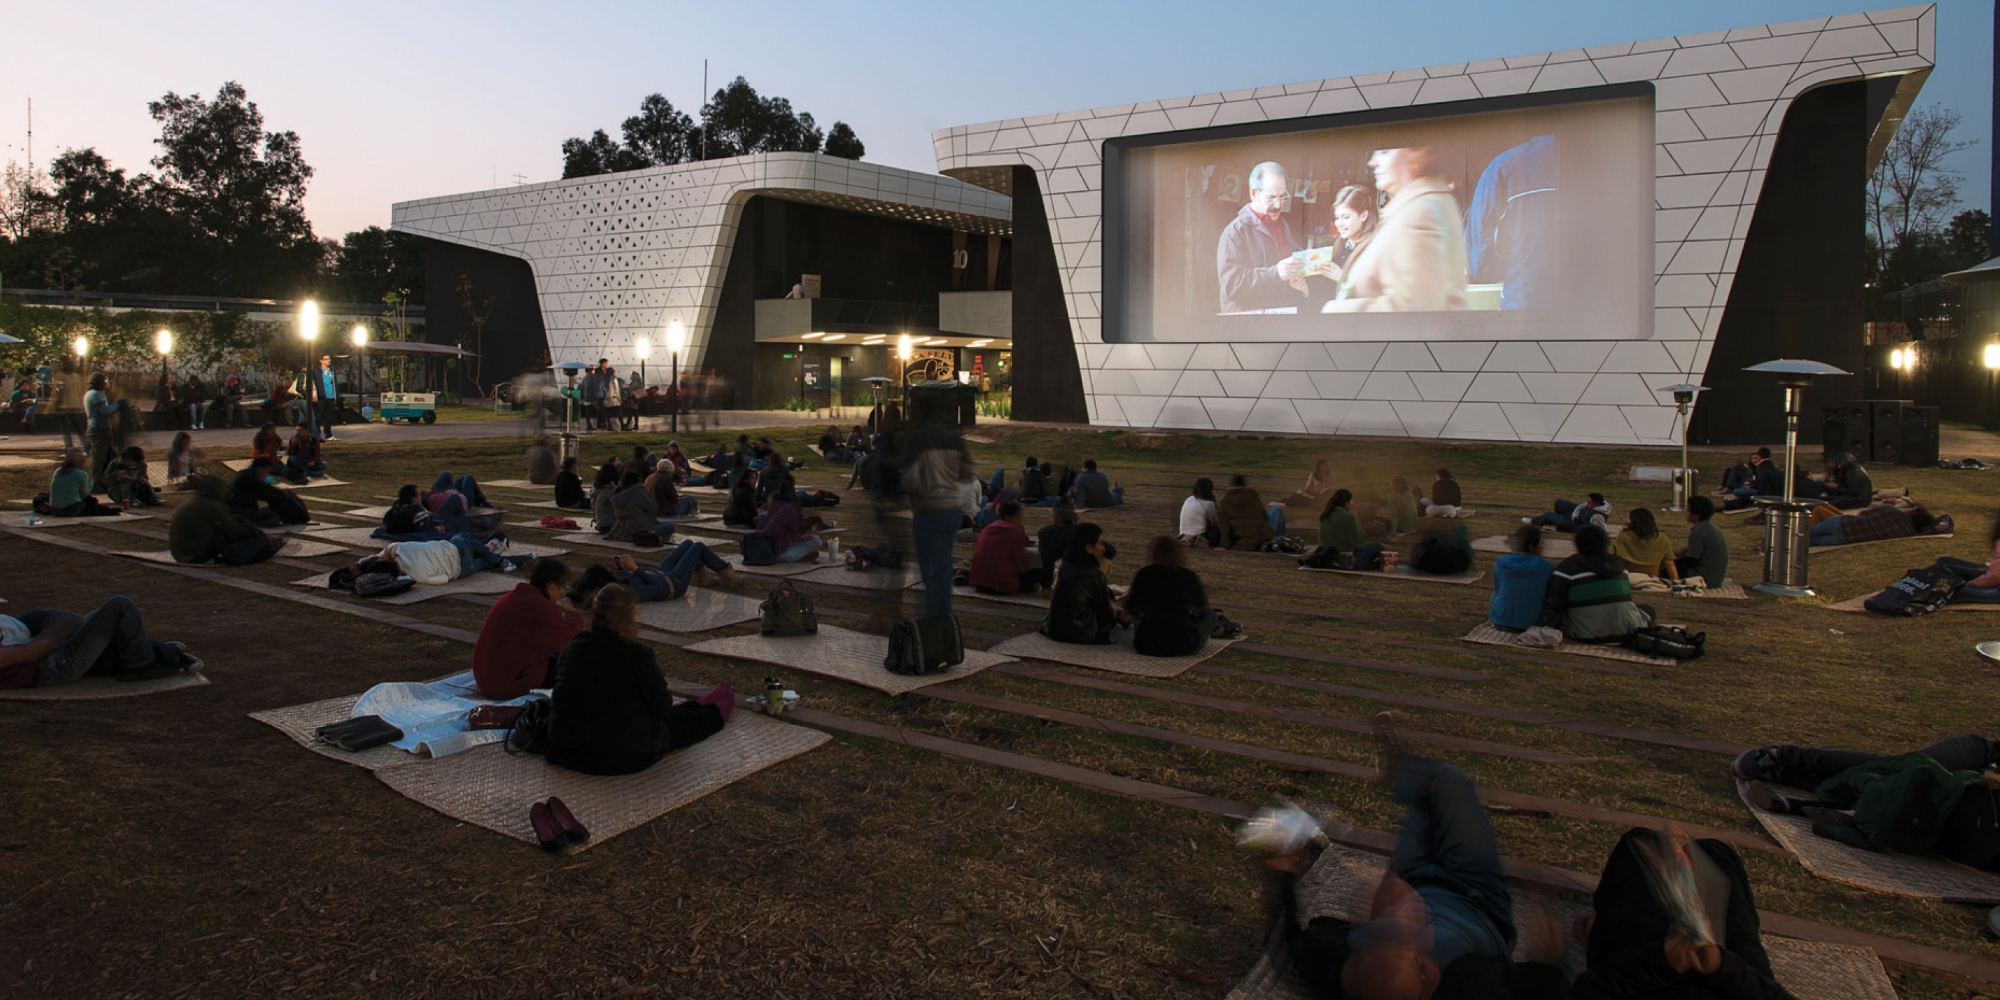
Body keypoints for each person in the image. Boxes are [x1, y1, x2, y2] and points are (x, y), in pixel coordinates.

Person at [1252, 729, 1567, 1000]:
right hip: (1478, 896)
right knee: (1447, 782)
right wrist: (1548, 958)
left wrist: (1284, 871)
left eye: (1387, 939)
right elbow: (1550, 986)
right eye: (1420, 965)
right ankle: (1406, 770)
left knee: (1428, 798)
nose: (1414, 942)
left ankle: (1407, 774)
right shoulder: (1470, 987)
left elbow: (1294, 939)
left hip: (1414, 878)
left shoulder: (1338, 970)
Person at [1570, 826, 1792, 1000]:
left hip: (1645, 981)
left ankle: (1599, 927)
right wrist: (1720, 966)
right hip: (1729, 982)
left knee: (1641, 845)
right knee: (1713, 852)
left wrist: (1664, 962)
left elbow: (1586, 992)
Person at [544, 584, 734, 776]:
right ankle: (719, 707)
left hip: (564, 748)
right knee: (682, 725)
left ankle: (703, 702)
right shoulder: (636, 654)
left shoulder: (575, 645)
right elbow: (662, 706)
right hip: (621, 754)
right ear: (628, 615)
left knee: (671, 716)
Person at [1735, 735, 2000, 872]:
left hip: (1969, 813)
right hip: (1973, 787)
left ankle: (1785, 759)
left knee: (1905, 771)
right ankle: (1792, 785)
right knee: (1902, 772)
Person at [1325, 146, 1471, 313]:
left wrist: (1335, 310)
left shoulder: (1419, 212)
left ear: (1416, 156)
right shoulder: (1418, 204)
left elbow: (1414, 308)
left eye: (1385, 152)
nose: (1372, 162)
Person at [0, 596, 200, 688]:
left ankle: (165, 652)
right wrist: (54, 634)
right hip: (54, 666)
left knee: (98, 619)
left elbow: (63, 620)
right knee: (120, 607)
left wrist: (57, 630)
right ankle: (140, 665)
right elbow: (33, 652)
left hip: (52, 655)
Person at [1465, 135, 1555, 310]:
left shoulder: (1505, 166)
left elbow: (1480, 262)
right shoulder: (1600, 163)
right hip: (1596, 308)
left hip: (1526, 305)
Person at [471, 559, 584, 699]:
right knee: (578, 663)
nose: (562, 593)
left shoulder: (518, 597)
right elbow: (566, 645)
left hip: (487, 677)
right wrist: (573, 615)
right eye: (562, 587)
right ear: (550, 587)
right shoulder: (540, 607)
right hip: (504, 683)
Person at [903, 405, 976, 619]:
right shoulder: (954, 439)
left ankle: (932, 617)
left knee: (928, 569)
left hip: (929, 510)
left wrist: (916, 499)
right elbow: (967, 474)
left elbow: (910, 478)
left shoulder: (915, 439)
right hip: (952, 510)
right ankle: (943, 617)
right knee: (944, 566)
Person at [1125, 536, 1241, 656]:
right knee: (1211, 615)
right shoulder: (1188, 576)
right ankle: (1216, 630)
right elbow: (1201, 606)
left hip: (1146, 645)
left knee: (1141, 614)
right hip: (1184, 644)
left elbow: (1131, 606)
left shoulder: (1144, 574)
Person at [1216, 160, 1307, 313]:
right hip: (1249, 327)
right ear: (1254, 194)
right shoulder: (1235, 232)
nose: (1278, 204)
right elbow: (1232, 285)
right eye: (1271, 197)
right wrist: (1276, 273)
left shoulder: (1283, 225)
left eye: (1282, 196)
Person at [1540, 525, 1653, 643]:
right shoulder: (1620, 568)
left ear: (1578, 544)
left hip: (1586, 635)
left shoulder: (1567, 570)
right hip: (1626, 631)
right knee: (1647, 610)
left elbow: (1555, 607)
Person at [169, 473, 280, 565]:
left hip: (183, 552)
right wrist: (251, 530)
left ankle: (266, 540)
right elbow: (233, 532)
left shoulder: (198, 502)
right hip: (192, 555)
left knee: (236, 519)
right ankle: (265, 542)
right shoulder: (211, 506)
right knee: (233, 525)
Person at [1043, 523, 1126, 644]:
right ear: (1089, 548)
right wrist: (1115, 610)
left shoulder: (1066, 564)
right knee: (1111, 602)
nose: (1103, 548)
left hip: (1054, 629)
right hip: (1083, 633)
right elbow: (1104, 615)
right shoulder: (1095, 575)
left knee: (1107, 593)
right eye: (1100, 544)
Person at [606, 540, 737, 601]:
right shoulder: (627, 593)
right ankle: (728, 575)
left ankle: (703, 577)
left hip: (661, 573)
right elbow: (657, 587)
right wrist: (635, 569)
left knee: (688, 543)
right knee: (698, 547)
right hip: (673, 584)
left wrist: (621, 571)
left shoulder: (617, 582)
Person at [384, 532, 529, 584]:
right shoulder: (397, 548)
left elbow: (443, 579)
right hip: (456, 551)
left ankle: (524, 558)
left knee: (484, 563)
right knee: (463, 536)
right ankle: (497, 558)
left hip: (460, 570)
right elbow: (381, 553)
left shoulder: (416, 576)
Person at [1489, 525, 1554, 632]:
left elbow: (1498, 589)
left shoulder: (1501, 563)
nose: (1543, 546)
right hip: (1532, 622)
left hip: (1501, 621)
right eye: (1541, 543)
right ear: (1532, 546)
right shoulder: (1546, 567)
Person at [968, 501, 1037, 595]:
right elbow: (1021, 567)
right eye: (1018, 517)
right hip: (1001, 585)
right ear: (1008, 517)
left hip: (978, 583)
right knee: (1036, 573)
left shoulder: (986, 530)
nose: (1020, 521)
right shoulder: (1015, 535)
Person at [1312, 489, 1385, 570]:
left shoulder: (1325, 515)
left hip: (1325, 553)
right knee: (1379, 546)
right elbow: (1356, 544)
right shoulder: (1349, 517)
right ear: (1347, 503)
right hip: (1345, 556)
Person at [1808, 502, 1936, 548]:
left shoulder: (1891, 510)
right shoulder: (1906, 533)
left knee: (1806, 532)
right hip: (1845, 538)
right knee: (1807, 540)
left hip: (1843, 522)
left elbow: (1863, 512)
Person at [227, 457, 310, 526]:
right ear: (259, 469)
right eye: (267, 472)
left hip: (235, 511)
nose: (267, 475)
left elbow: (264, 493)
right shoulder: (250, 478)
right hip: (241, 513)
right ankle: (257, 522)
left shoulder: (245, 474)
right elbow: (271, 490)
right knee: (275, 512)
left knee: (275, 510)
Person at [44, 446, 119, 517]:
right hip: (70, 509)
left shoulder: (58, 471)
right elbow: (84, 494)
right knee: (90, 502)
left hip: (54, 510)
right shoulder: (80, 474)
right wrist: (91, 483)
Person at [1675, 496, 1729, 588]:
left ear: (1696, 514)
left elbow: (1691, 561)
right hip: (1716, 578)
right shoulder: (1713, 528)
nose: (1686, 513)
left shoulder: (1698, 532)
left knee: (1667, 569)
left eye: (1688, 510)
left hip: (1704, 578)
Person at [608, 470, 675, 543]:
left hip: (621, 530)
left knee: (652, 518)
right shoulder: (638, 492)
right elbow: (653, 508)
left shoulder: (617, 494)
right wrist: (648, 493)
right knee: (670, 526)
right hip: (641, 530)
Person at [1612, 508, 1678, 581]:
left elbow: (1619, 559)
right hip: (1653, 578)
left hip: (1630, 578)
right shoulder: (1662, 538)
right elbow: (1669, 563)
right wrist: (1676, 581)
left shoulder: (1623, 537)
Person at [756, 488, 821, 563]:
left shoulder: (769, 510)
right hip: (781, 554)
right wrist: (810, 535)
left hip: (767, 550)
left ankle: (802, 555)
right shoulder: (790, 511)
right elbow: (796, 538)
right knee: (817, 541)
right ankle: (800, 556)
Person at [83, 372, 126, 481]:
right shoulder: (96, 394)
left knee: (107, 456)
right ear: (100, 383)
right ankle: (94, 483)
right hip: (99, 430)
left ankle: (102, 479)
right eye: (105, 381)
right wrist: (118, 405)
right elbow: (105, 410)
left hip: (98, 429)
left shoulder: (92, 393)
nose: (107, 384)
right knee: (99, 459)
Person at [1327, 183, 1378, 275]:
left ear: (1363, 215)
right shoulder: (1338, 245)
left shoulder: (1375, 248)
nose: (1339, 224)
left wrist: (1342, 278)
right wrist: (1304, 287)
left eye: (1346, 217)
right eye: (1337, 218)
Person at [1218, 475, 1277, 551]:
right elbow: (1265, 517)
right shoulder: (1254, 498)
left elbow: (1224, 528)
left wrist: (1224, 545)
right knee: (1276, 510)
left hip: (1242, 540)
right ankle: (1281, 540)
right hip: (1261, 537)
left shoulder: (1224, 503)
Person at [1038, 501, 1080, 590]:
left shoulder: (1045, 532)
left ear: (1056, 513)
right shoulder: (1081, 533)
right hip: (1074, 584)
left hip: (1048, 582)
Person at [1526, 492, 1613, 533]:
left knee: (1547, 515)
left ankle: (1534, 521)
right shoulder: (1599, 504)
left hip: (1575, 523)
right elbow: (1581, 506)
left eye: (1589, 502)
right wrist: (1576, 513)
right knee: (1559, 502)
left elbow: (1601, 531)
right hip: (1577, 514)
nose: (1587, 503)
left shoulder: (1597, 516)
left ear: (1596, 504)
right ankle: (1557, 521)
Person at [1179, 477, 1221, 547]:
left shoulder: (1188, 499)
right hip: (1199, 536)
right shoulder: (1208, 504)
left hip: (1183, 535)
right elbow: (1215, 523)